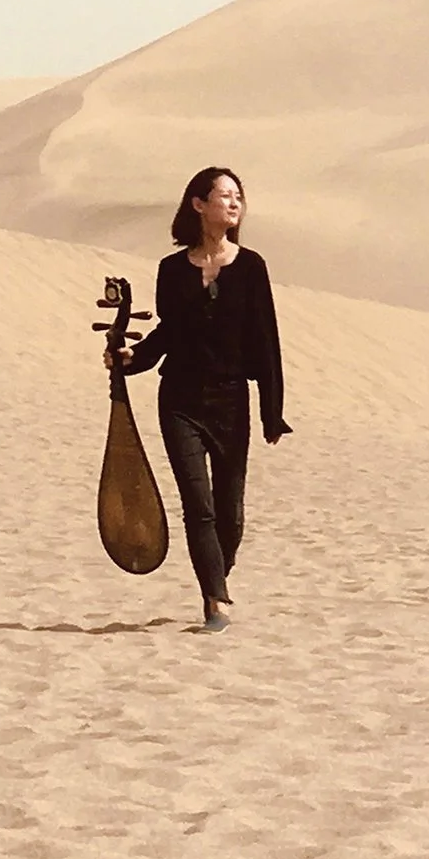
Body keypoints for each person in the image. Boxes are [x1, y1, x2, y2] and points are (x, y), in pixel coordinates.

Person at [108, 166, 289, 632]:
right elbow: (170, 331)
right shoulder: (171, 270)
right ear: (198, 204)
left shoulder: (251, 267)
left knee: (230, 515)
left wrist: (273, 411)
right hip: (181, 400)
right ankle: (216, 601)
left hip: (231, 402)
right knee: (199, 506)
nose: (233, 204)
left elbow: (266, 340)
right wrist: (133, 358)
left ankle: (216, 574)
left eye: (238, 198)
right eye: (224, 196)